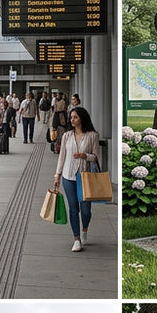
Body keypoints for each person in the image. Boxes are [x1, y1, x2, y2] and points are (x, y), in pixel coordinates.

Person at [53, 106, 100, 252]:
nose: (72, 120)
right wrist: (57, 175)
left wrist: (85, 156)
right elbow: (62, 157)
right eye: (71, 117)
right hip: (68, 175)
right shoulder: (67, 135)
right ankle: (76, 239)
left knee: (85, 209)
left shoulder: (92, 135)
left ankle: (84, 229)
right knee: (73, 208)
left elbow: (96, 157)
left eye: (75, 117)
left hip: (84, 176)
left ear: (82, 118)